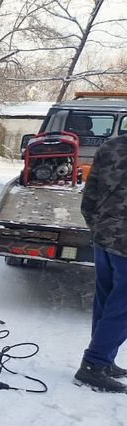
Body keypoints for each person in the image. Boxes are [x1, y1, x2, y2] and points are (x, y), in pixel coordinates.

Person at [78, 132, 127, 393]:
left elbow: (90, 194)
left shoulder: (111, 146)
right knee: (121, 308)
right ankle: (94, 364)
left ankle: (104, 359)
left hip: (105, 236)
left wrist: (96, 227)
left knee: (107, 300)